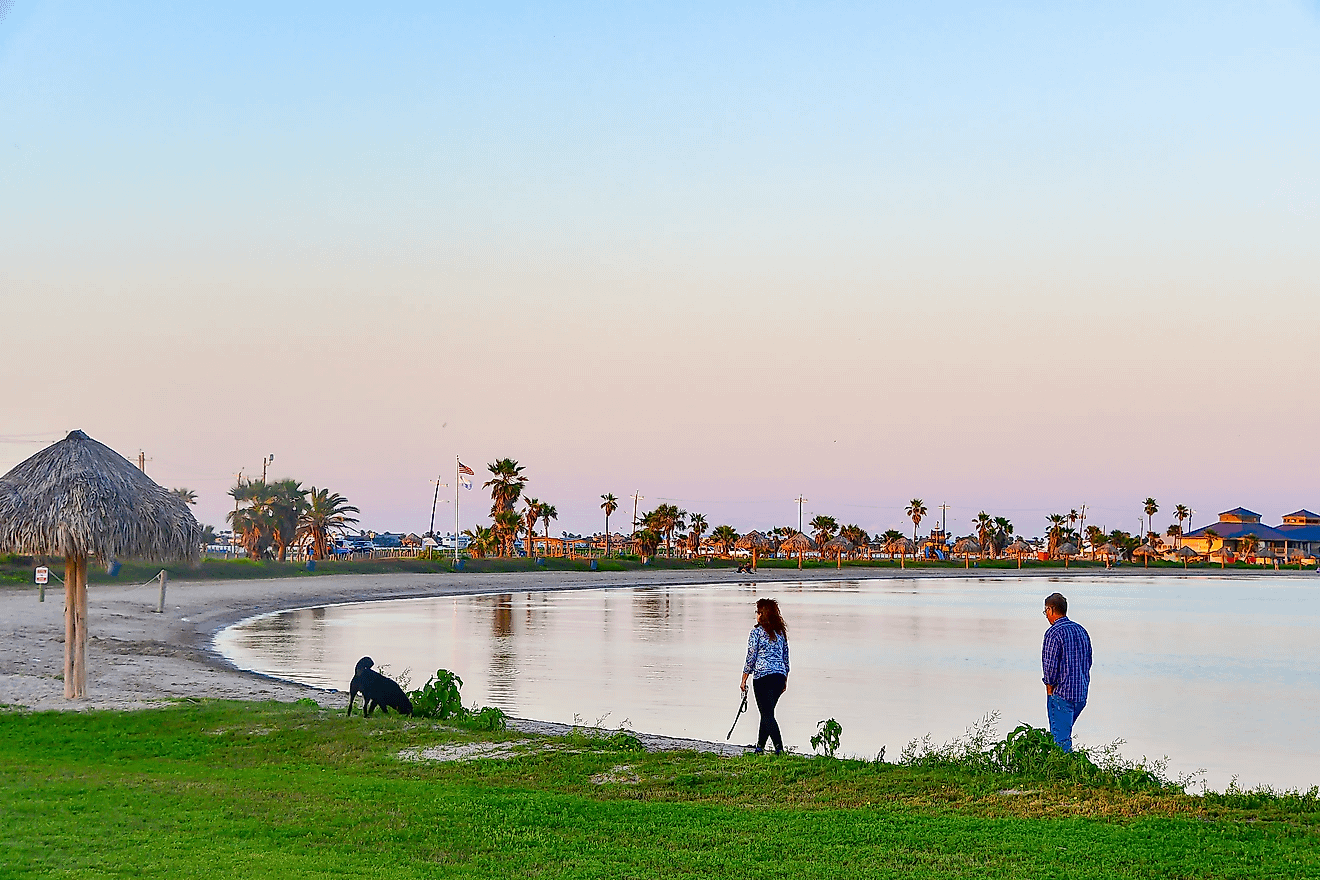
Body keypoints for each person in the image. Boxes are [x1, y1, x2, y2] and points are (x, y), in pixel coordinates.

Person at [1041, 592, 1092, 752]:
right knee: (1064, 734)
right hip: (1080, 694)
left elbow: (1050, 666)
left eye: (1045, 611)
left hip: (1062, 695)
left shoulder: (1053, 633)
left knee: (1060, 741)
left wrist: (1049, 689)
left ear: (1050, 610)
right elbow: (1088, 661)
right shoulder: (1081, 630)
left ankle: (1063, 774)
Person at [741, 597, 789, 754]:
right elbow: (786, 658)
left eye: (759, 612)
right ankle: (760, 747)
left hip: (762, 677)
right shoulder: (780, 633)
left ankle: (779, 748)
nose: (757, 615)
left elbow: (751, 656)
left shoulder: (756, 633)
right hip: (779, 676)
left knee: (766, 714)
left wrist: (744, 678)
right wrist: (785, 680)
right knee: (767, 713)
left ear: (763, 614)